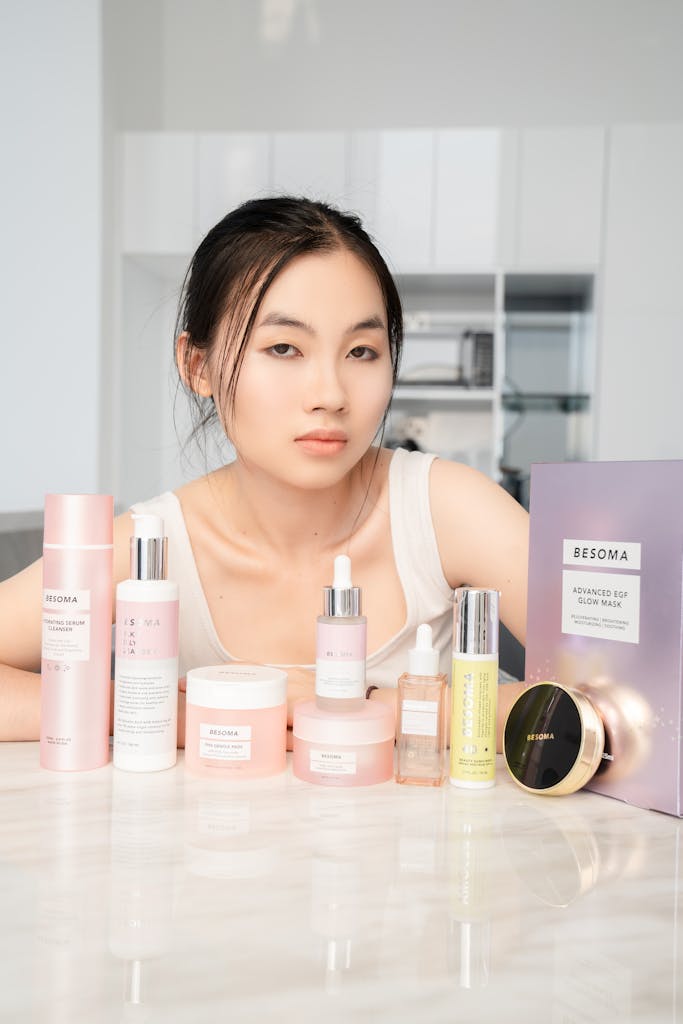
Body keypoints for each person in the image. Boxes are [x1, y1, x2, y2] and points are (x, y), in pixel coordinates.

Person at [0, 196, 528, 748]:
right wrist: (161, 710)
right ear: (197, 366)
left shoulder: (447, 508)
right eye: (284, 347)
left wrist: (385, 709)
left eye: (362, 352)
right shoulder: (147, 546)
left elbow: (617, 694)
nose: (329, 394)